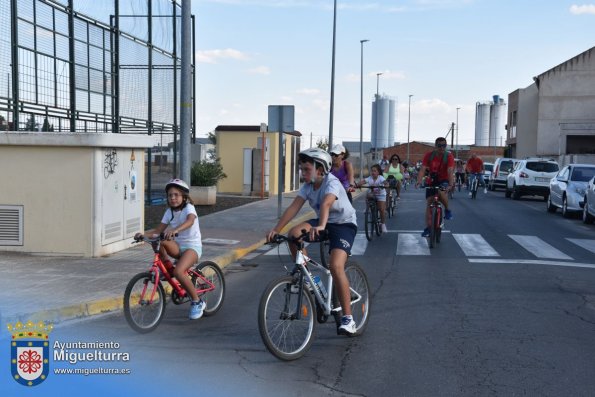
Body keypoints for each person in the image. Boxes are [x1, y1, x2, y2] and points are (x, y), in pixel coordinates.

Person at [266, 148, 359, 336]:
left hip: (343, 224)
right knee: (293, 235)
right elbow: (294, 208)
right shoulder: (308, 187)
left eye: (306, 169)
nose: (303, 173)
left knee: (336, 266)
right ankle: (310, 280)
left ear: (320, 169)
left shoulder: (331, 182)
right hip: (322, 223)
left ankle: (348, 319)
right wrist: (276, 229)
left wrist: (322, 225)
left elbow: (326, 204)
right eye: (301, 169)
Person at [134, 179, 205, 320]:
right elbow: (158, 230)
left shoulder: (189, 208)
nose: (172, 198)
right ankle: (166, 266)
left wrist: (175, 230)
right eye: (170, 195)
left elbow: (190, 221)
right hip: (178, 247)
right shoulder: (169, 212)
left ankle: (197, 301)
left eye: (176, 195)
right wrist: (142, 234)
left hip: (192, 247)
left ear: (184, 196)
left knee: (179, 271)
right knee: (157, 238)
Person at [416, 137, 455, 237]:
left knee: (441, 192)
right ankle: (428, 228)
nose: (442, 148)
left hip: (444, 179)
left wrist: (450, 184)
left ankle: (447, 210)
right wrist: (419, 181)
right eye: (439, 146)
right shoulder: (429, 155)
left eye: (444, 146)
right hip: (432, 179)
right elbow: (422, 169)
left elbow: (450, 171)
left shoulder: (448, 156)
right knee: (429, 203)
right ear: (435, 146)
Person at [358, 163, 389, 233]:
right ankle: (367, 208)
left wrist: (386, 185)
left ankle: (383, 224)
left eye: (375, 171)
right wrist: (357, 185)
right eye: (372, 171)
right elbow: (363, 181)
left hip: (381, 195)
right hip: (372, 194)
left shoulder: (381, 178)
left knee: (381, 209)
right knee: (368, 194)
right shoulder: (369, 178)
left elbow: (385, 182)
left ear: (378, 172)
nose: (373, 172)